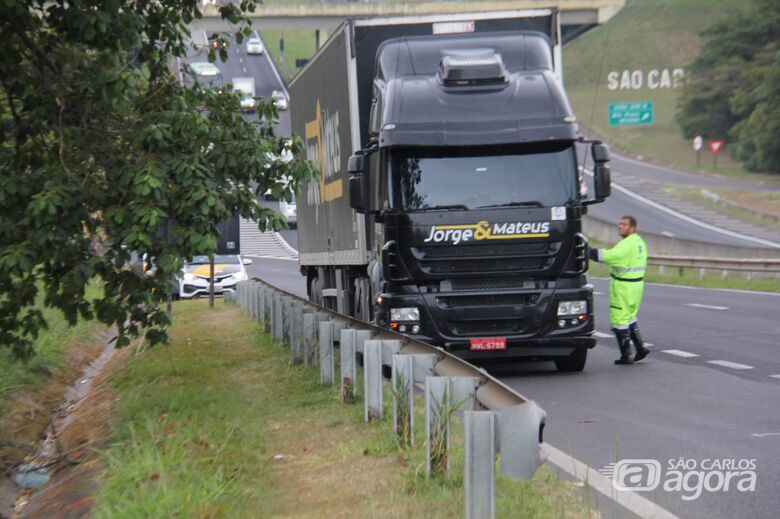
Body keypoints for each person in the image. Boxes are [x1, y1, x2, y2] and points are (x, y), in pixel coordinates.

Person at [589, 215, 650, 365]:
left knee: (619, 320)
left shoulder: (627, 244)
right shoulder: (638, 242)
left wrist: (588, 251)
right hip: (636, 286)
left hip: (624, 287)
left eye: (623, 224)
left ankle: (626, 355)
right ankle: (640, 348)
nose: (620, 226)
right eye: (619, 224)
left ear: (632, 228)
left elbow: (610, 256)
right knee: (630, 317)